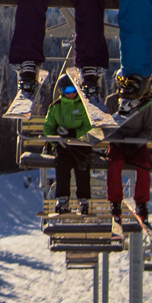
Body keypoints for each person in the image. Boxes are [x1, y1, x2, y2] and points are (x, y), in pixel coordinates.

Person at [43, 76, 93, 215]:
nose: (70, 93)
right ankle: (63, 198)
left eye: (73, 89)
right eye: (66, 90)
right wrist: (56, 141)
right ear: (61, 91)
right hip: (63, 145)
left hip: (80, 143)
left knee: (82, 164)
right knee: (62, 164)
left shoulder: (83, 106)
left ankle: (83, 199)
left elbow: (88, 125)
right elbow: (48, 127)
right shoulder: (55, 107)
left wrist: (75, 134)